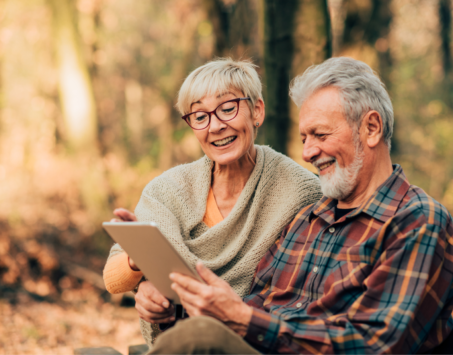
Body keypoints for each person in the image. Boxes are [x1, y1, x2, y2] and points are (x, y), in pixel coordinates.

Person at [147, 57, 453, 354]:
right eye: (304, 139)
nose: (308, 153)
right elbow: (258, 300)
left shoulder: (415, 221)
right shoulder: (312, 216)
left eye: (320, 135)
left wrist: (242, 319)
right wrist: (175, 310)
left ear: (371, 128)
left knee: (197, 339)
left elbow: (373, 345)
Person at [102, 58, 323, 347]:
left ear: (257, 111)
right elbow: (113, 279)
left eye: (227, 109)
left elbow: (302, 293)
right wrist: (142, 269)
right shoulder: (168, 189)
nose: (215, 126)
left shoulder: (301, 191)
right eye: (200, 116)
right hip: (180, 342)